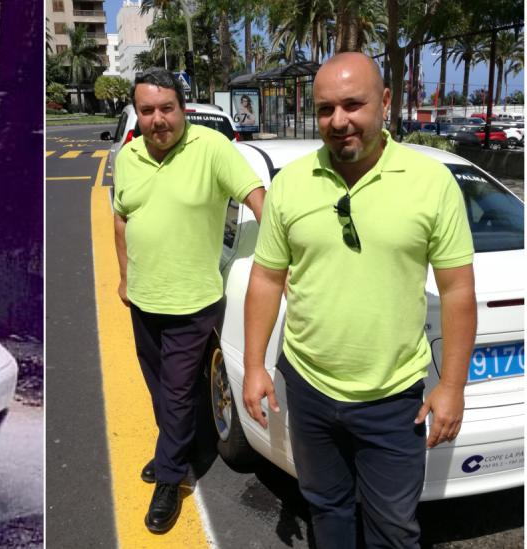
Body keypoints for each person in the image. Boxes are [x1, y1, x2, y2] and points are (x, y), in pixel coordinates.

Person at [242, 52, 475, 548]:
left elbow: (457, 289)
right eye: (326, 108)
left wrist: (453, 384)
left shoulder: (430, 183)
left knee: (393, 529)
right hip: (308, 389)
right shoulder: (290, 185)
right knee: (327, 510)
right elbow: (266, 278)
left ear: (385, 102)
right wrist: (258, 366)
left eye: (353, 104)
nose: (339, 120)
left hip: (393, 400)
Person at [111, 68, 266, 533]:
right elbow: (120, 219)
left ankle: (170, 477)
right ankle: (181, 445)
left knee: (176, 392)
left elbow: (259, 198)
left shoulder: (212, 149)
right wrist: (123, 277)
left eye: (166, 108)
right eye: (147, 110)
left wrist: (285, 256)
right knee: (161, 388)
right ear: (137, 114)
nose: (158, 119)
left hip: (192, 301)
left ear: (183, 107)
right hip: (143, 299)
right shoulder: (129, 155)